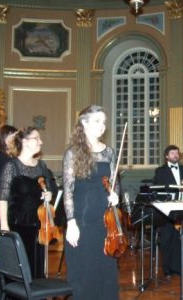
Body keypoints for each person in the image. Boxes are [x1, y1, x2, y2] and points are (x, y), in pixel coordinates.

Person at [63, 105, 120, 300]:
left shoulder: (109, 152)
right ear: (84, 123)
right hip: (82, 221)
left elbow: (114, 183)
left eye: (104, 121)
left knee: (106, 274)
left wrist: (116, 195)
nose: (102, 125)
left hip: (106, 223)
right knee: (84, 275)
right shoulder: (73, 153)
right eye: (97, 121)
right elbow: (68, 190)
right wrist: (71, 222)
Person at [0, 127, 55, 279]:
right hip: (18, 224)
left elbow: (49, 189)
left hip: (40, 224)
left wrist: (49, 194)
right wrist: (4, 226)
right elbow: (2, 197)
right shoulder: (12, 166)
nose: (41, 142)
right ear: (24, 141)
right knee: (21, 269)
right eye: (36, 138)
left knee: (38, 269)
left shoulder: (41, 165)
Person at [153, 145, 183, 278]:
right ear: (167, 156)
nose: (176, 155)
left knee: (179, 239)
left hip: (182, 207)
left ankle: (178, 268)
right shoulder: (160, 171)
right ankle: (167, 270)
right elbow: (157, 191)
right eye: (172, 153)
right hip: (167, 209)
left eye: (177, 153)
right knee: (167, 239)